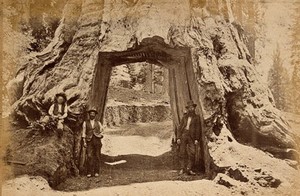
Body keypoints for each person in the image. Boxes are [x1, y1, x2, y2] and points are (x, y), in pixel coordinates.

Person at [177, 100, 201, 175]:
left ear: (194, 108)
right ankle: (182, 168)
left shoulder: (197, 118)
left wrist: (197, 139)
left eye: (192, 107)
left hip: (192, 137)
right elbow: (180, 127)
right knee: (182, 152)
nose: (191, 109)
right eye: (189, 108)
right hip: (184, 134)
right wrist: (178, 138)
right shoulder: (184, 117)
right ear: (188, 109)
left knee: (192, 152)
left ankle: (189, 168)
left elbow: (198, 129)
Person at [82, 108, 104, 178]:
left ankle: (96, 171)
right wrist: (84, 141)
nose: (92, 115)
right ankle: (89, 172)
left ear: (95, 115)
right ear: (89, 115)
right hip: (89, 141)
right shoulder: (85, 122)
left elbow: (102, 130)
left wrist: (100, 135)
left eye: (93, 114)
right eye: (91, 114)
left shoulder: (98, 123)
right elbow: (83, 132)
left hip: (97, 140)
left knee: (97, 156)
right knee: (89, 156)